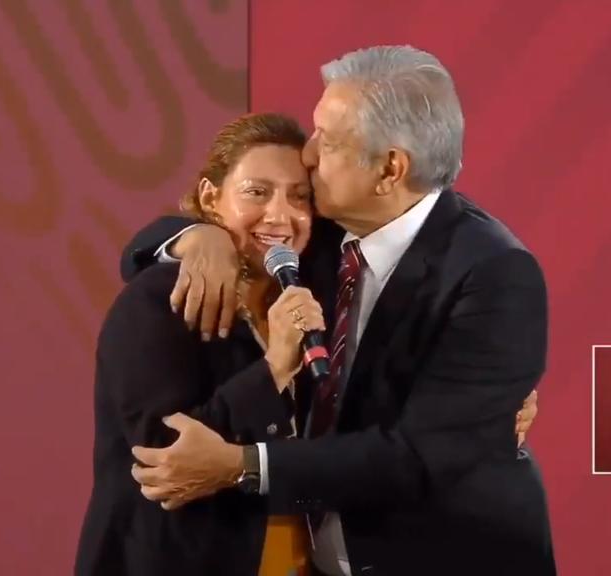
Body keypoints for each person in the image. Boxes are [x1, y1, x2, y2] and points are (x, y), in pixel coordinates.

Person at [122, 46, 554, 575]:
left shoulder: (495, 275)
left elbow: (415, 458)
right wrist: (198, 236)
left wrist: (241, 465)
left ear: (390, 169)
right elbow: (179, 235)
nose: (307, 154)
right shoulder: (324, 227)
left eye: (327, 140)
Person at [75, 113, 327, 576]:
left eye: (299, 196)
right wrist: (274, 367)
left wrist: (189, 233)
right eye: (257, 192)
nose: (280, 215)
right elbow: (164, 454)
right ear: (211, 197)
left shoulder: (307, 293)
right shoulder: (160, 300)